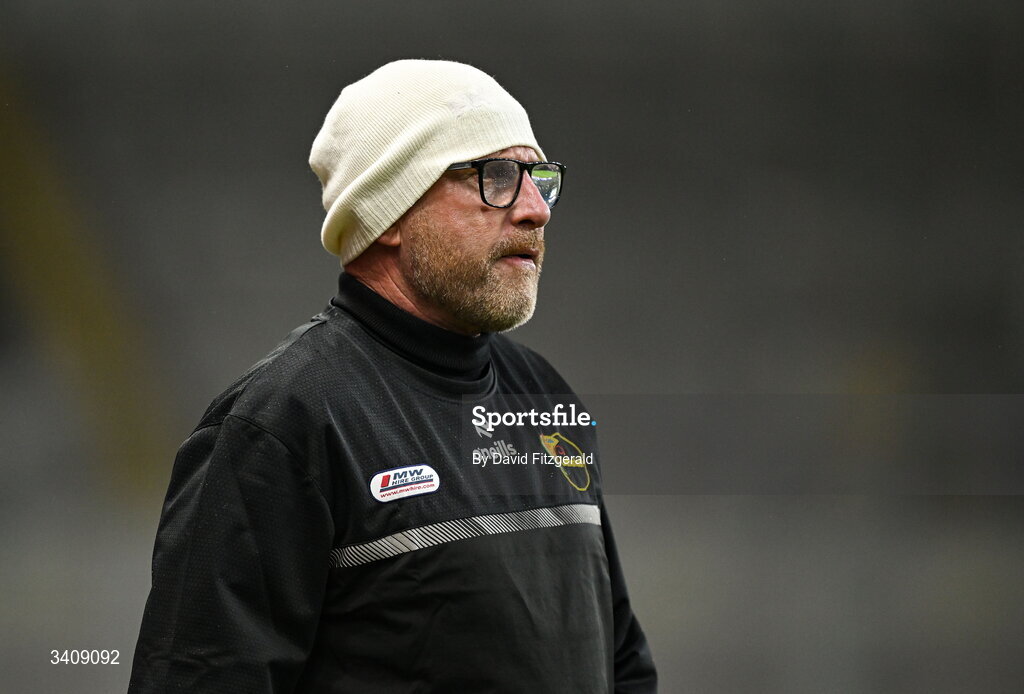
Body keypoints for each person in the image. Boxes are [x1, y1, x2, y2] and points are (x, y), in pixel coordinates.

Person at [128, 59, 657, 694]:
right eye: (495, 178)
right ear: (391, 213)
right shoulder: (280, 425)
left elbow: (621, 661)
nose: (535, 210)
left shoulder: (544, 395)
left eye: (538, 179)